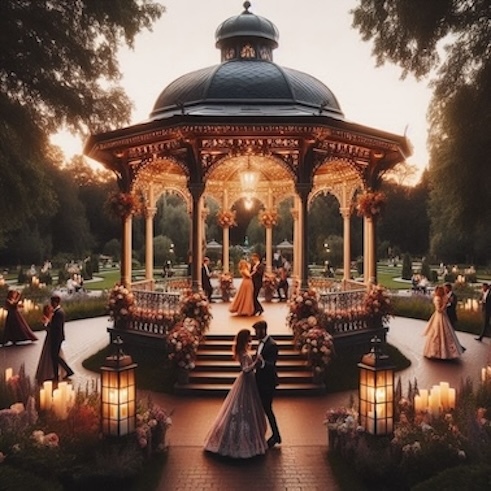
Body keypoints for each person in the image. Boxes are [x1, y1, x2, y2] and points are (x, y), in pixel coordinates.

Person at [204, 329, 267, 458]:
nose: (251, 338)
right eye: (249, 336)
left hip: (249, 382)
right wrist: (255, 364)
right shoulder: (243, 354)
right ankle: (240, 441)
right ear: (245, 338)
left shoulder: (243, 352)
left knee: (248, 407)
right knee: (243, 407)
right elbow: (245, 370)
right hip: (246, 381)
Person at [253, 320, 281, 448]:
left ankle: (276, 435)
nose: (255, 334)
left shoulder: (272, 345)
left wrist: (262, 362)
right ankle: (269, 435)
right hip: (259, 381)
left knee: (267, 409)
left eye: (256, 331)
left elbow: (271, 365)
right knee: (263, 409)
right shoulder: (260, 343)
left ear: (263, 330)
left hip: (267, 383)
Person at [423, 285, 465, 360]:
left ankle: (449, 352)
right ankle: (436, 352)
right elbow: (439, 310)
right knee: (438, 334)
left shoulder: (441, 298)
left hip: (444, 317)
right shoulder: (437, 299)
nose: (444, 292)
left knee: (447, 334)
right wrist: (445, 304)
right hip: (439, 317)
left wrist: (447, 302)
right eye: (442, 290)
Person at [35, 304, 67, 383]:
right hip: (49, 337)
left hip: (53, 337)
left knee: (56, 355)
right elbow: (47, 327)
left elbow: (54, 327)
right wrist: (47, 324)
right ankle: (51, 373)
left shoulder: (54, 315)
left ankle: (61, 372)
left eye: (50, 308)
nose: (50, 309)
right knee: (51, 355)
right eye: (49, 309)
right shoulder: (46, 317)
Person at [49, 295, 74, 381]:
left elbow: (56, 327)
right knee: (55, 356)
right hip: (58, 337)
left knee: (55, 356)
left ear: (55, 302)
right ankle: (63, 372)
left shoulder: (58, 313)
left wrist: (47, 324)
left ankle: (62, 373)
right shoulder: (59, 312)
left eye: (52, 302)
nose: (51, 304)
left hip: (56, 337)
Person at [444, 283, 466, 351]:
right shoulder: (445, 295)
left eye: (445, 288)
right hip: (445, 315)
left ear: (448, 288)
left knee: (451, 331)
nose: (444, 289)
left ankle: (457, 346)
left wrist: (448, 303)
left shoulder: (454, 296)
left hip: (451, 315)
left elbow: (453, 305)